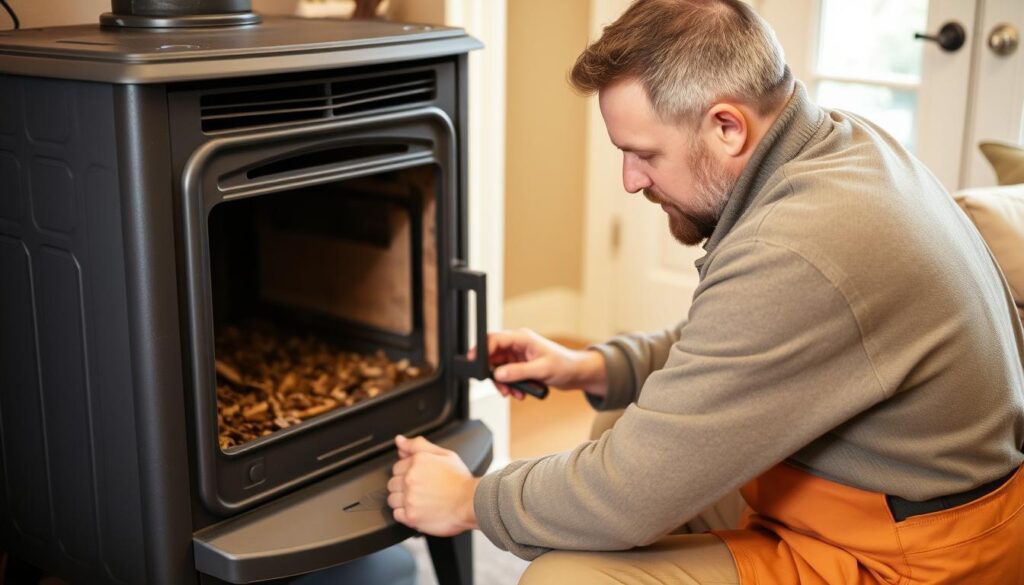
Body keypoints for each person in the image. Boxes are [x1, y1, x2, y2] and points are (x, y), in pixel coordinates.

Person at [385, 0, 1024, 582]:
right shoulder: (837, 145)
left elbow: (626, 493)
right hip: (864, 494)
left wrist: (470, 500)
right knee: (622, 415)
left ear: (726, 128)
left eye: (644, 154)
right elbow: (737, 346)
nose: (631, 181)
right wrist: (590, 366)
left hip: (914, 555)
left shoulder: (797, 243)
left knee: (566, 578)